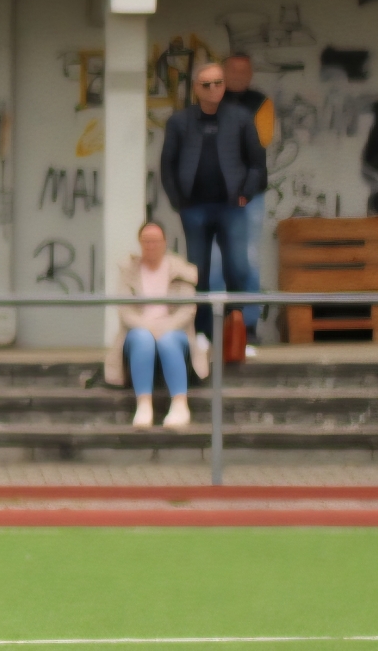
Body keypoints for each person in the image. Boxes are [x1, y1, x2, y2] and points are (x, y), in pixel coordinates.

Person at [159, 63, 264, 360]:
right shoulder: (180, 121)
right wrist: (178, 200)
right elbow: (167, 164)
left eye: (218, 83)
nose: (213, 89)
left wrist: (245, 194)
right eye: (206, 84)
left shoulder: (240, 118)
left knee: (238, 269)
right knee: (198, 273)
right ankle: (202, 333)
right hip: (195, 209)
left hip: (232, 207)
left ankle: (242, 333)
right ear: (196, 88)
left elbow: (257, 162)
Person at [115, 221, 201, 429]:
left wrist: (165, 327)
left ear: (164, 242)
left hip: (174, 330)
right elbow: (125, 310)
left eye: (155, 241)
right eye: (146, 241)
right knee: (142, 337)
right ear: (139, 243)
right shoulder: (129, 271)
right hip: (140, 330)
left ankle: (180, 405)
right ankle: (144, 405)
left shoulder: (180, 270)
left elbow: (188, 309)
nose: (151, 246)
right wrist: (147, 326)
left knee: (168, 340)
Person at [221, 53, 274, 339]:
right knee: (214, 261)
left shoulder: (261, 102)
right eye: (233, 71)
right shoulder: (210, 99)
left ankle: (248, 326)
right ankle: (216, 327)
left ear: (251, 74)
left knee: (248, 259)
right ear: (223, 72)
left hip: (249, 194)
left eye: (244, 71)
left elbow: (260, 141)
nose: (238, 76)